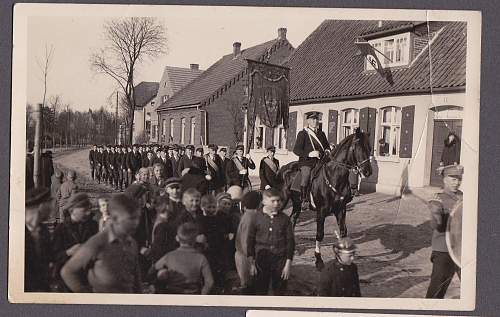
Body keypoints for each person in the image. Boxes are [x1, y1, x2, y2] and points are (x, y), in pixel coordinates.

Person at [61, 193, 142, 293]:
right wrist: (86, 296)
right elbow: (67, 271)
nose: (136, 223)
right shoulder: (97, 242)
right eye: (131, 218)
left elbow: (136, 279)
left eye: (138, 218)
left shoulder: (132, 243)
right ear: (116, 218)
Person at [426, 164, 463, 299]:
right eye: (453, 179)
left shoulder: (462, 196)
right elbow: (436, 226)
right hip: (443, 251)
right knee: (436, 292)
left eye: (459, 179)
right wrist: (436, 213)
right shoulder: (438, 198)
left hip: (461, 250)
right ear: (444, 180)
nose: (457, 182)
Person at [247, 188, 295, 295]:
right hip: (261, 262)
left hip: (280, 262)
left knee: (280, 292)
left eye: (279, 201)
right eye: (273, 201)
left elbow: (290, 243)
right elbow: (250, 242)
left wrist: (287, 265)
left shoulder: (285, 219)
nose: (276, 204)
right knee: (260, 291)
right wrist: (252, 264)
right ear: (264, 201)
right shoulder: (256, 218)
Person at [52, 193, 98, 292]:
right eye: (84, 210)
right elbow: (53, 256)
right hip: (67, 280)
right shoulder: (61, 229)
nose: (88, 213)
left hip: (89, 277)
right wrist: (68, 252)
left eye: (89, 209)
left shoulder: (93, 226)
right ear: (72, 210)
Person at [153, 222, 214, 294]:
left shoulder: (169, 256)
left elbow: (153, 270)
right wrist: (201, 296)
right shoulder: (201, 258)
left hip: (172, 295)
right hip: (193, 296)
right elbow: (210, 282)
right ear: (195, 240)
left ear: (177, 238)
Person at [292, 111, 330, 207]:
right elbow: (296, 150)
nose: (315, 121)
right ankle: (304, 199)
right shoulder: (303, 133)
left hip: (320, 162)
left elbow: (327, 147)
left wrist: (328, 151)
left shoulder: (322, 134)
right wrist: (309, 153)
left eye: (317, 119)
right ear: (308, 121)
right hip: (307, 162)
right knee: (306, 175)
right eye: (313, 119)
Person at [198, 194, 230, 293]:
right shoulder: (201, 220)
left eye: (213, 207)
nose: (211, 210)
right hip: (207, 249)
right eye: (209, 207)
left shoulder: (218, 219)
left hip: (218, 248)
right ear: (203, 207)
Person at [25, 187, 53, 292]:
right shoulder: (15, 233)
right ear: (41, 206)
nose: (52, 208)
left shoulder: (44, 231)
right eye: (50, 203)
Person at [234, 190, 262, 294]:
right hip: (245, 257)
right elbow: (246, 241)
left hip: (243, 255)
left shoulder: (248, 215)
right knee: (248, 285)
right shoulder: (251, 217)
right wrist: (252, 262)